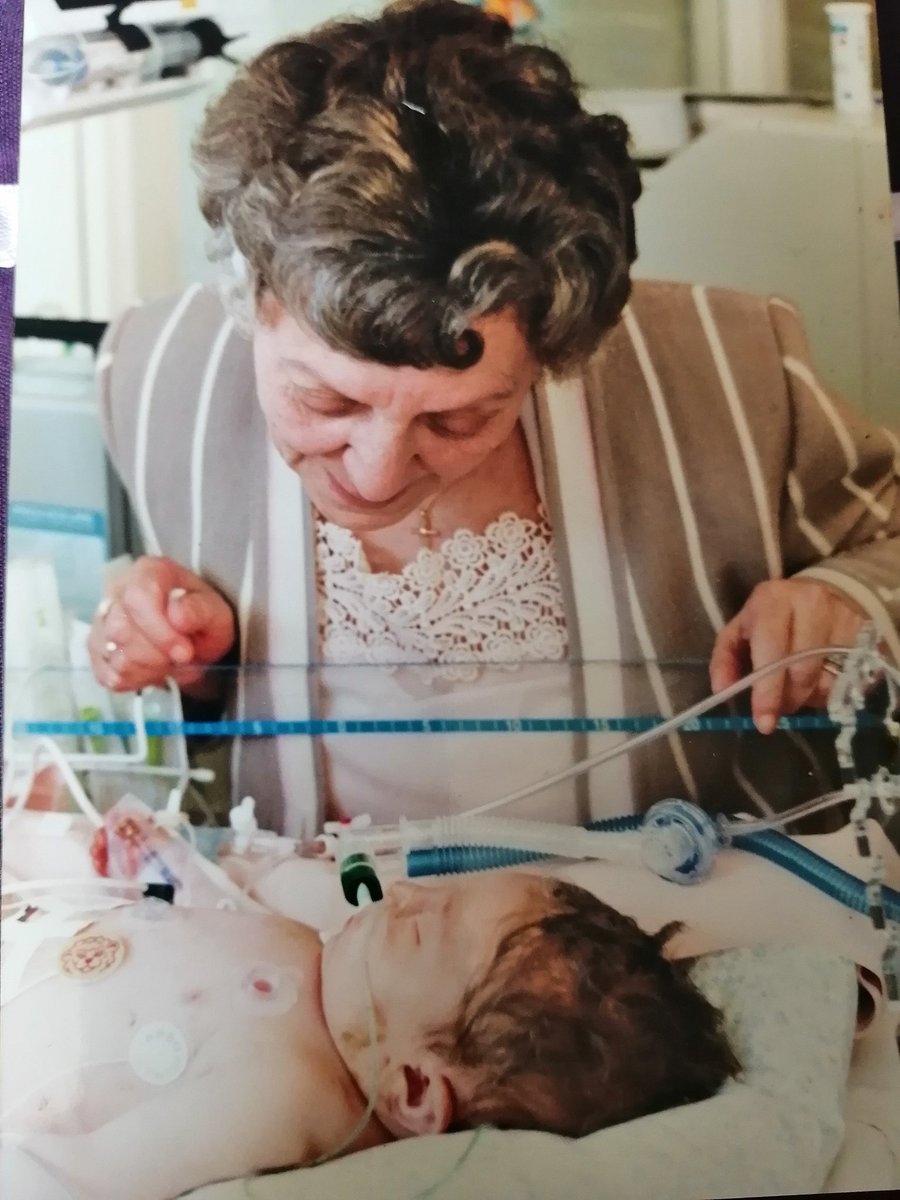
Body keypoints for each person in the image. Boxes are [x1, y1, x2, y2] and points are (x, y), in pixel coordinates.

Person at [88, 0, 900, 836]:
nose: (374, 474)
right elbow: (212, 739)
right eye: (326, 401)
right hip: (334, 931)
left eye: (459, 419)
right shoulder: (153, 375)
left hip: (667, 929)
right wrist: (192, 659)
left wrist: (841, 603)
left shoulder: (735, 365)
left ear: (557, 349)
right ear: (247, 295)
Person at [0, 872, 738, 1200]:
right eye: (440, 892)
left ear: (413, 1088)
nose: (405, 893)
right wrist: (158, 867)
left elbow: (70, 1181)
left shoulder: (281, 1095)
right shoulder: (323, 961)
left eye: (420, 929)